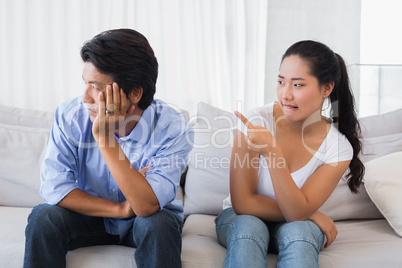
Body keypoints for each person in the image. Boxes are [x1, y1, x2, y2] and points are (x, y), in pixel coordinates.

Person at [24, 28, 193, 268]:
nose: (85, 98)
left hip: (146, 221)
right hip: (91, 216)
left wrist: (105, 138)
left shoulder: (172, 127)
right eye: (85, 84)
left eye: (96, 87)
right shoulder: (71, 115)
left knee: (158, 223)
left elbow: (145, 205)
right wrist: (119, 209)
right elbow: (54, 187)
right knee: (44, 217)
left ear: (134, 93)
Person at [215, 40, 364, 268]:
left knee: (300, 234)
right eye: (281, 82)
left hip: (294, 225)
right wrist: (310, 212)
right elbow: (243, 203)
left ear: (326, 88)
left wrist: (273, 153)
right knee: (249, 228)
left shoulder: (338, 147)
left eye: (298, 85)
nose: (285, 94)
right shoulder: (257, 121)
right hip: (240, 219)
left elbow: (296, 216)